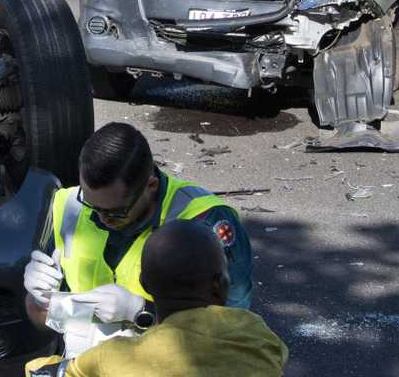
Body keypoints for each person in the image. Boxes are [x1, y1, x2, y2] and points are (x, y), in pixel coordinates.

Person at [23, 122, 254, 332]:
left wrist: (141, 312)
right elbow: (47, 321)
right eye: (91, 205)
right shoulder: (69, 207)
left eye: (115, 212)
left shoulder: (203, 221)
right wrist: (38, 301)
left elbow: (231, 333)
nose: (102, 219)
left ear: (150, 186)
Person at [31, 220, 287, 376]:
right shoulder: (256, 335)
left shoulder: (113, 358)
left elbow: (43, 373)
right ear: (221, 286)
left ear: (144, 284)